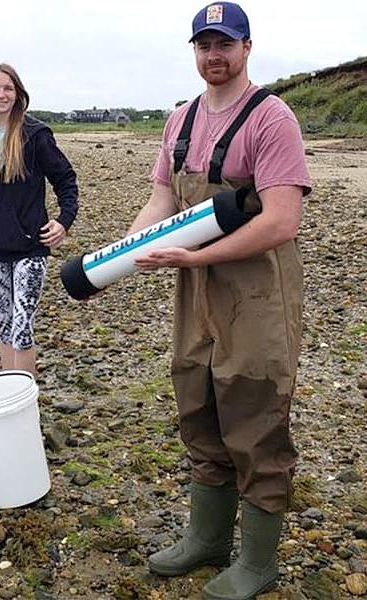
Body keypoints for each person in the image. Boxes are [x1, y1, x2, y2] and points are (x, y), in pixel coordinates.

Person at [127, 4, 311, 599]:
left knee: (254, 412)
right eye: (204, 44)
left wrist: (198, 257)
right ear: (194, 50)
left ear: (248, 48)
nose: (215, 55)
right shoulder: (179, 120)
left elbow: (282, 220)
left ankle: (259, 562)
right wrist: (134, 248)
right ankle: (206, 539)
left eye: (225, 44)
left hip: (256, 287)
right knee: (197, 401)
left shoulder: (272, 118)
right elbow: (161, 199)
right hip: (195, 286)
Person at [0, 63, 78, 375]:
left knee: (22, 325)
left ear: (18, 94)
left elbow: (65, 180)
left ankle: (24, 400)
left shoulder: (35, 135)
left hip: (30, 247)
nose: (1, 94)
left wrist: (64, 222)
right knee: (4, 322)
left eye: (7, 88)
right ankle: (9, 396)